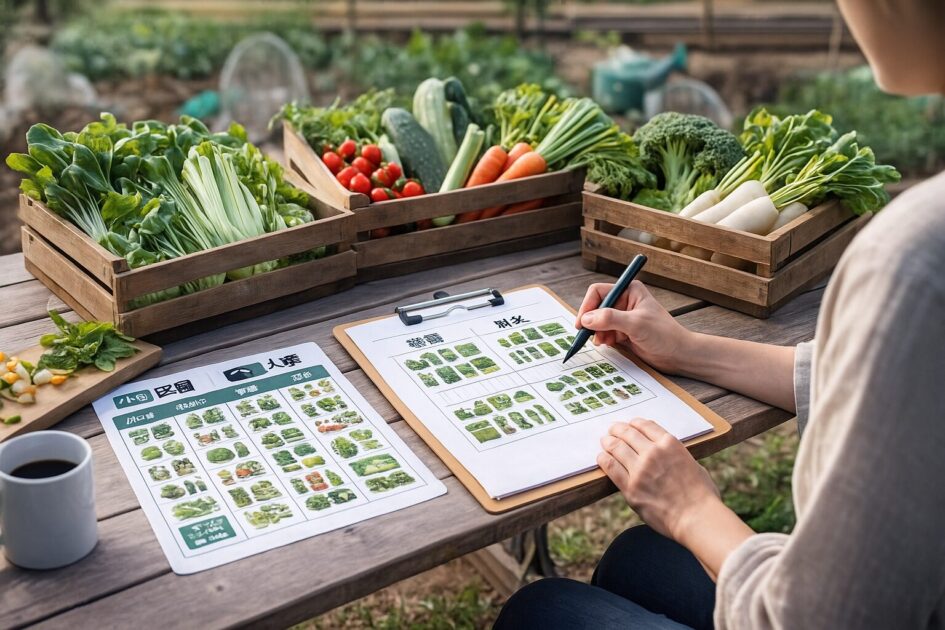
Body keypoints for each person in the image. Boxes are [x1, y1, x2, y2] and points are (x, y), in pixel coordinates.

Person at [494, 1, 945, 628]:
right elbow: (896, 385)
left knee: (543, 612)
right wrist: (685, 349)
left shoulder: (918, 253)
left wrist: (691, 509)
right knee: (635, 558)